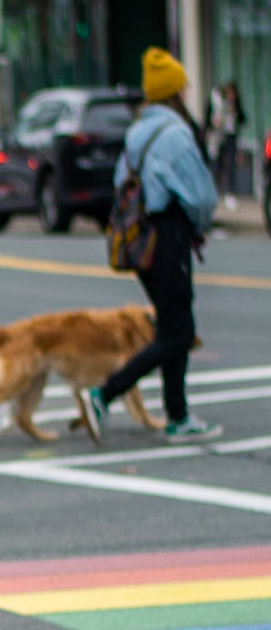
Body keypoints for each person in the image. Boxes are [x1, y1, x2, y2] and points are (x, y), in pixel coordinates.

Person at [78, 48, 221, 446]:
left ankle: (178, 414)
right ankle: (104, 394)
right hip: (168, 233)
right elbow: (200, 196)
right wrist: (200, 224)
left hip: (142, 240)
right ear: (174, 91)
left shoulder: (139, 132)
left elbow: (122, 181)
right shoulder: (176, 134)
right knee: (178, 332)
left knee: (173, 324)